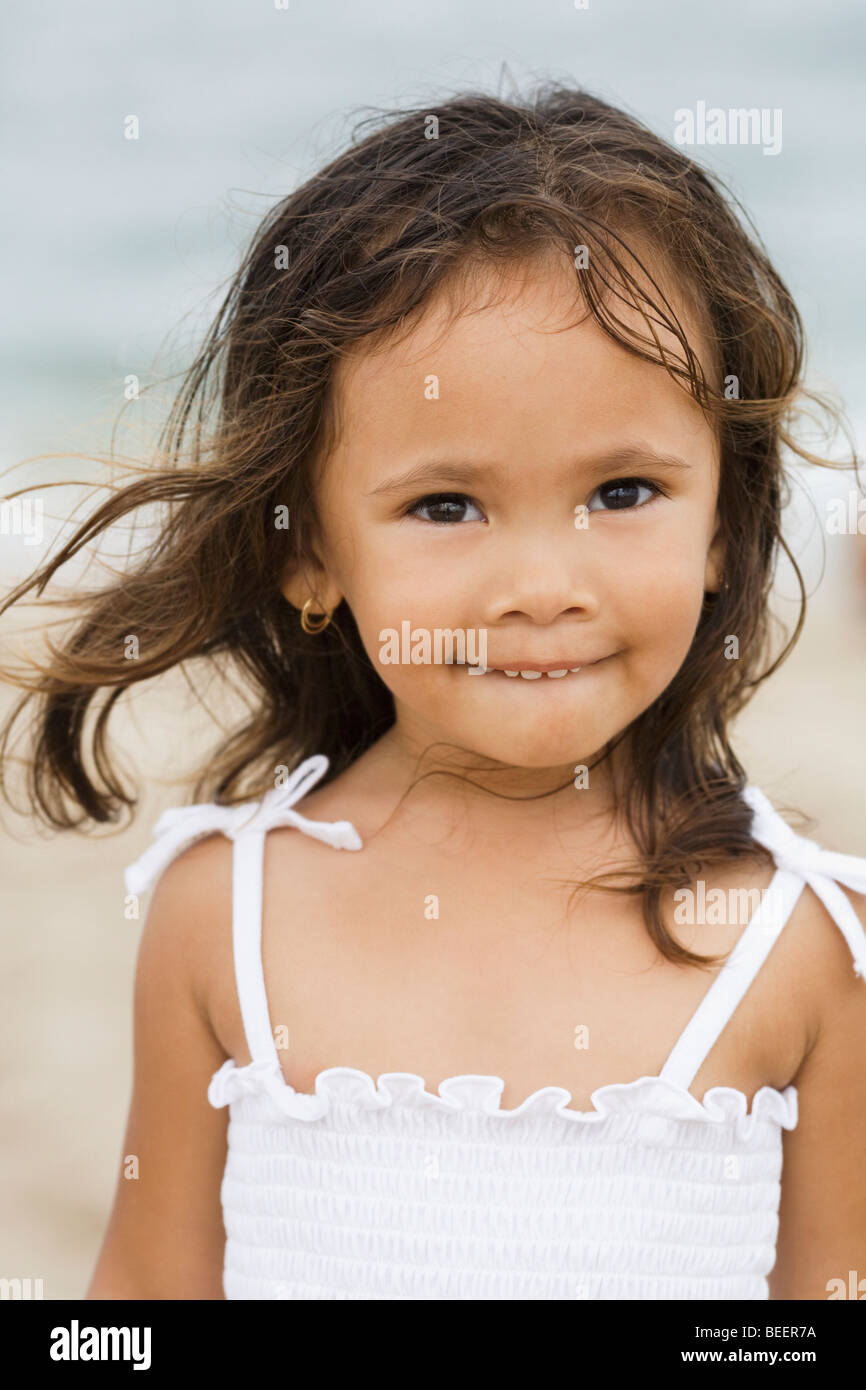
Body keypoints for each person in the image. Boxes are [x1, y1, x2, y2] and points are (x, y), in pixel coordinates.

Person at [2, 83, 865, 1301]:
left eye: (621, 493)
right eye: (445, 505)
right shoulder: (221, 913)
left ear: (722, 520)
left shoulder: (800, 945)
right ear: (309, 550)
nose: (541, 585)